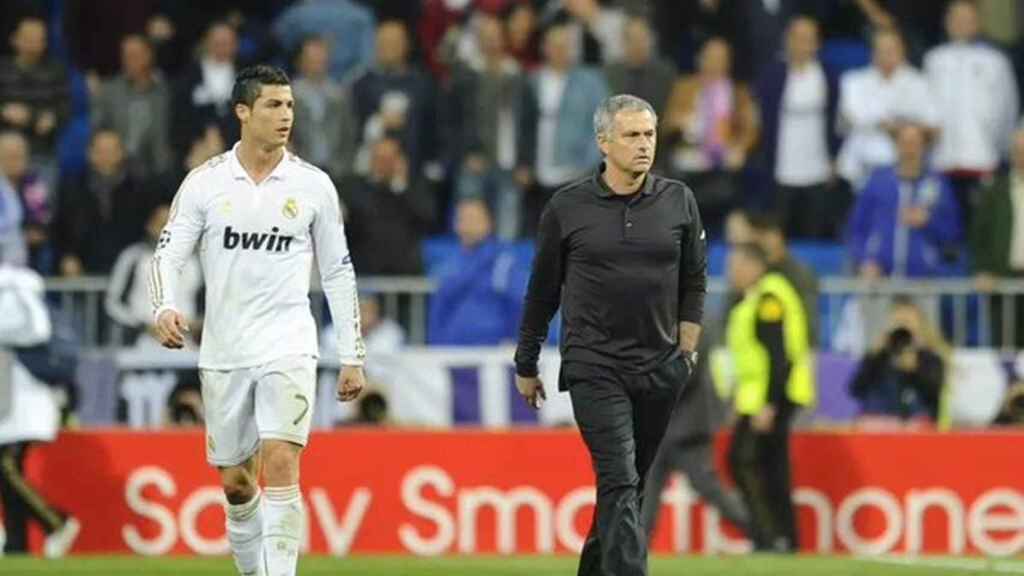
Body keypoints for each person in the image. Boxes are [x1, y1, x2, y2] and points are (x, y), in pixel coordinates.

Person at [148, 65, 367, 576]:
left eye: (289, 105)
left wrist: (352, 353)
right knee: (236, 484)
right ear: (242, 112)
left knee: (282, 461)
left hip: (289, 342)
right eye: (273, 105)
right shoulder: (205, 184)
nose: (285, 115)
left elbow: (338, 269)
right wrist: (163, 305)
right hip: (224, 349)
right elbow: (167, 254)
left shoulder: (313, 186)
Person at [514, 94, 707, 576]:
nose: (645, 146)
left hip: (660, 368)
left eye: (650, 135)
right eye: (632, 135)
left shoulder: (678, 200)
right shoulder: (567, 206)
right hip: (594, 366)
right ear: (603, 142)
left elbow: (695, 280)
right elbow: (542, 291)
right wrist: (526, 361)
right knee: (620, 480)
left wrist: (685, 349)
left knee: (628, 488)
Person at [725, 242, 813, 553]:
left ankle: (770, 537)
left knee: (747, 462)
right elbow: (751, 359)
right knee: (766, 466)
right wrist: (741, 399)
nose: (731, 274)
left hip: (774, 397)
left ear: (754, 267)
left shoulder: (769, 300)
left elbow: (778, 356)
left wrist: (770, 404)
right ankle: (780, 539)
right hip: (757, 398)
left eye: (736, 267)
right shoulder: (754, 298)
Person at [0, 260, 79, 557]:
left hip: (23, 397)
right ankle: (16, 547)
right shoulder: (16, 286)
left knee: (6, 469)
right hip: (13, 395)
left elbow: (36, 329)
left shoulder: (12, 287)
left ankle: (56, 522)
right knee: (10, 471)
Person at [925, 0, 1018, 223]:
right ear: (947, 22)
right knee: (944, 228)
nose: (961, 24)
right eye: (956, 18)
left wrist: (999, 149)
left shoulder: (996, 61)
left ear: (977, 24)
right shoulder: (934, 60)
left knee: (980, 229)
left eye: (967, 19)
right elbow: (925, 107)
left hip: (983, 160)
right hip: (942, 161)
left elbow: (1008, 109)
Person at [658, 37, 759, 237]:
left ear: (728, 63)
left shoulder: (739, 93)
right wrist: (678, 122)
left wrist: (740, 147)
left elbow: (751, 130)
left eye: (720, 59)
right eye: (710, 58)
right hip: (687, 163)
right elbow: (665, 125)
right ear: (700, 60)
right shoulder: (685, 87)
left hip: (722, 167)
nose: (714, 64)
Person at [756, 17, 840, 238]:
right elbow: (764, 122)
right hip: (782, 168)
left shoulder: (829, 75)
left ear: (817, 43)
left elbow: (835, 120)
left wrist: (834, 157)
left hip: (818, 168)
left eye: (809, 39)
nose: (803, 44)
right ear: (788, 40)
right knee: (778, 234)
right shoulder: (772, 75)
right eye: (798, 38)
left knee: (813, 234)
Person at [846, 123, 961, 280]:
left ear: (924, 147)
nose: (909, 149)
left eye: (915, 143)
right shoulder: (878, 181)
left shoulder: (938, 184)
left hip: (924, 280)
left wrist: (929, 221)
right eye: (904, 143)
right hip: (878, 279)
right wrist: (864, 261)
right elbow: (856, 228)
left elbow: (953, 233)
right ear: (896, 145)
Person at [836, 28, 938, 190]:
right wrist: (902, 123)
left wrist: (889, 125)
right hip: (861, 171)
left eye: (891, 49)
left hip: (905, 172)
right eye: (881, 49)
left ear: (903, 51)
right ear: (873, 52)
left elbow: (933, 125)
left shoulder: (919, 83)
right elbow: (855, 118)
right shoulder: (853, 81)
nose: (886, 55)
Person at [53, 129, 155, 277]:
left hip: (129, 271)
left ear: (122, 153)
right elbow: (59, 229)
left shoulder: (140, 189)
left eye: (111, 151)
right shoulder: (72, 188)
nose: (105, 156)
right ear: (89, 153)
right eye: (100, 151)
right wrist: (66, 257)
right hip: (82, 271)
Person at [428, 199, 526, 345]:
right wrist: (434, 344)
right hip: (449, 350)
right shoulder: (448, 264)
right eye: (462, 219)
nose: (468, 225)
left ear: (488, 223)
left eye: (474, 219)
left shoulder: (504, 261)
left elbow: (517, 303)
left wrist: (512, 341)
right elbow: (439, 309)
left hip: (491, 352)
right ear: (455, 225)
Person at [106, 204, 202, 348]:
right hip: (142, 343)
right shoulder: (133, 257)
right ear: (150, 226)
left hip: (187, 346)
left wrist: (201, 321)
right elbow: (112, 303)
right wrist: (143, 326)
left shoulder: (197, 261)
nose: (167, 230)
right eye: (161, 224)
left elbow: (212, 300)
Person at [849, 296, 949, 429]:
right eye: (898, 321)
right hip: (879, 423)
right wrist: (875, 355)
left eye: (907, 321)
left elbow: (934, 393)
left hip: (916, 425)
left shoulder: (930, 358)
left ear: (919, 325)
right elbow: (855, 389)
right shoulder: (879, 356)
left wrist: (915, 369)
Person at [92, 34, 173, 181]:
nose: (128, 60)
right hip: (117, 170)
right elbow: (97, 129)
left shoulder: (166, 92)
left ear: (149, 56)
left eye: (134, 55)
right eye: (125, 55)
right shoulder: (108, 91)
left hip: (157, 168)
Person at [972, 128, 1024, 348]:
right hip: (1003, 282)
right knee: (1005, 352)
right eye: (1019, 151)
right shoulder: (995, 190)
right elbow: (978, 235)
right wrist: (982, 269)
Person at [748, 212, 819, 344]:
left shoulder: (801, 274)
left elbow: (809, 316)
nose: (762, 242)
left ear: (778, 236)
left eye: (765, 235)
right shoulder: (755, 271)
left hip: (792, 346)